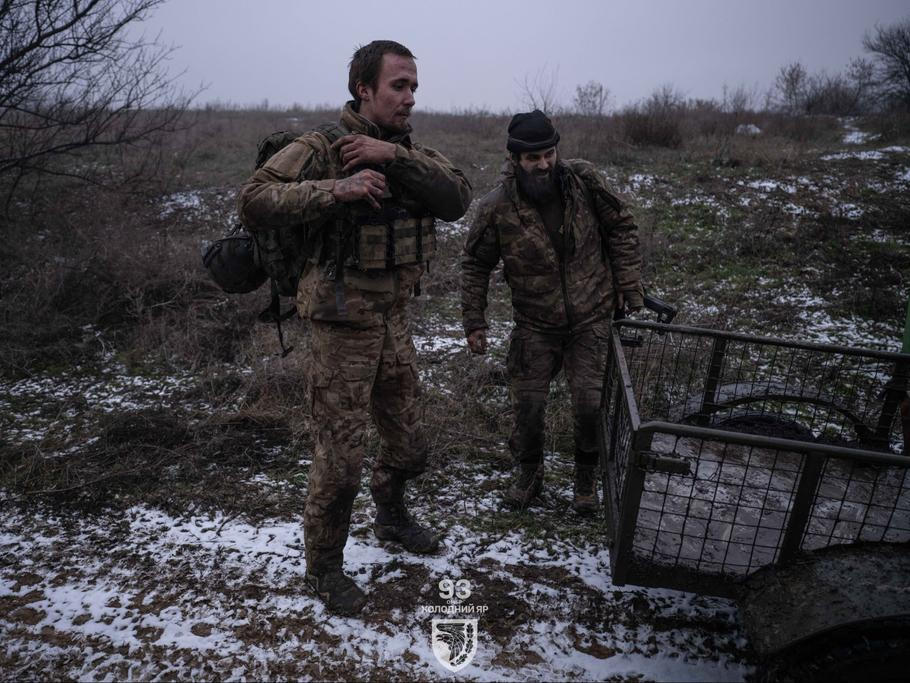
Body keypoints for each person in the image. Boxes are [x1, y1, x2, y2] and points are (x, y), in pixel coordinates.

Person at [238, 40, 471, 616]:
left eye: (414, 86)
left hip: (393, 320)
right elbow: (254, 198)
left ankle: (390, 514)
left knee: (410, 443)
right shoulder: (321, 147)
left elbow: (457, 198)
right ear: (363, 89)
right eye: (399, 86)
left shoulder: (409, 152)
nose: (410, 97)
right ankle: (324, 568)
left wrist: (393, 159)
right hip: (341, 321)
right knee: (340, 458)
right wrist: (334, 188)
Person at [461, 109, 642, 515]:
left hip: (592, 316)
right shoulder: (497, 207)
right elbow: (475, 264)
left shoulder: (584, 182)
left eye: (549, 154)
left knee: (589, 404)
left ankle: (585, 482)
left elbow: (621, 227)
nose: (543, 164)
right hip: (535, 324)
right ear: (515, 160)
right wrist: (474, 321)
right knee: (527, 406)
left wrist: (630, 289)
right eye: (533, 158)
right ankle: (528, 477)